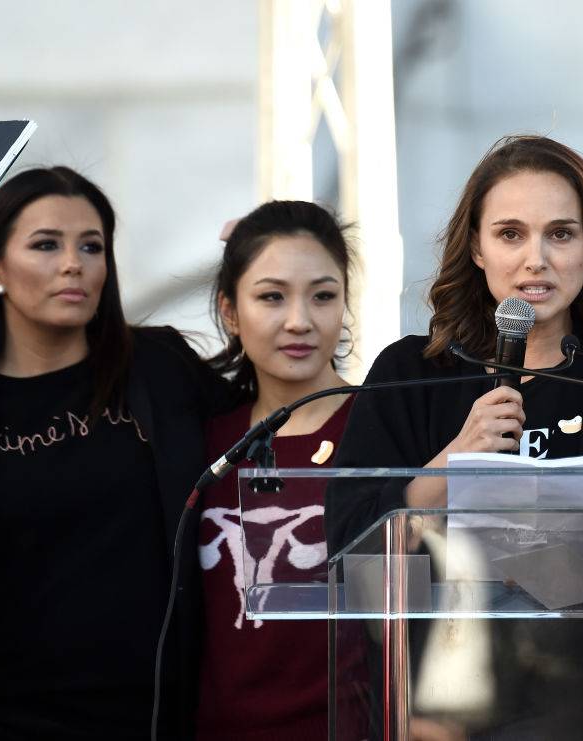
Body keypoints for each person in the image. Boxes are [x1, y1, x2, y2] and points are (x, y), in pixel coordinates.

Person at [325, 135, 583, 737]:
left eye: (560, 233)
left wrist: (537, 559)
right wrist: (449, 466)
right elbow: (352, 567)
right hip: (437, 713)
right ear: (475, 247)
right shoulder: (411, 376)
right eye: (510, 234)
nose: (536, 259)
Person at [0, 167, 224, 741]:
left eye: (91, 246)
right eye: (46, 244)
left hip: (151, 715)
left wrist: (261, 258)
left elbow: (270, 421)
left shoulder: (160, 369)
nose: (74, 263)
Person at [195, 201, 368, 740]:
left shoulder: (379, 428)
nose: (300, 320)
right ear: (230, 310)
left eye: (323, 295)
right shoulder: (203, 442)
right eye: (272, 296)